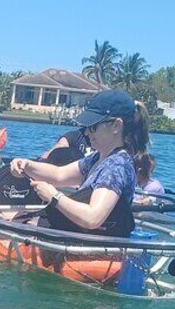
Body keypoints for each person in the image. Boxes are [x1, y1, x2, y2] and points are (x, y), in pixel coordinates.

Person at [10, 89, 151, 237]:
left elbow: (93, 218)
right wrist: (27, 165)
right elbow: (59, 175)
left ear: (116, 125)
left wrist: (53, 196)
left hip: (94, 247)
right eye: (85, 127)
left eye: (93, 126)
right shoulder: (97, 159)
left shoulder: (116, 166)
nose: (86, 132)